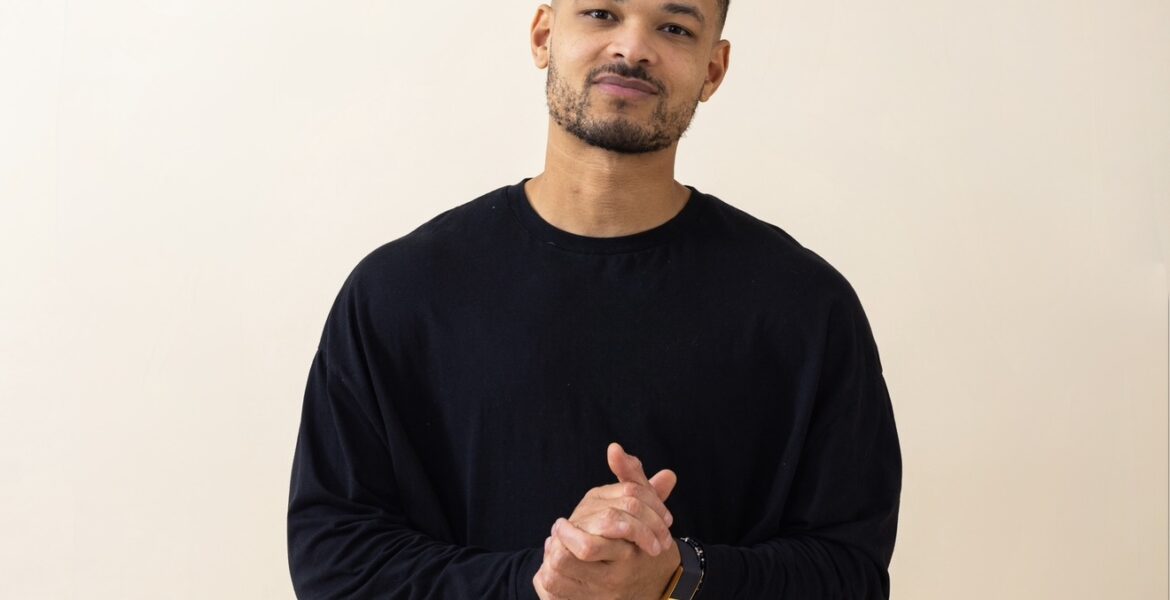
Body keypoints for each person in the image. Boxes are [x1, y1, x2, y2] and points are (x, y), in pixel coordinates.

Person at [286, 0, 903, 598]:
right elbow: (335, 561)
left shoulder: (806, 308)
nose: (633, 48)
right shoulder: (398, 293)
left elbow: (852, 571)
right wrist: (544, 581)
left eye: (674, 28)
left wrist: (680, 576)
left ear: (713, 70)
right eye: (602, 14)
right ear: (543, 35)